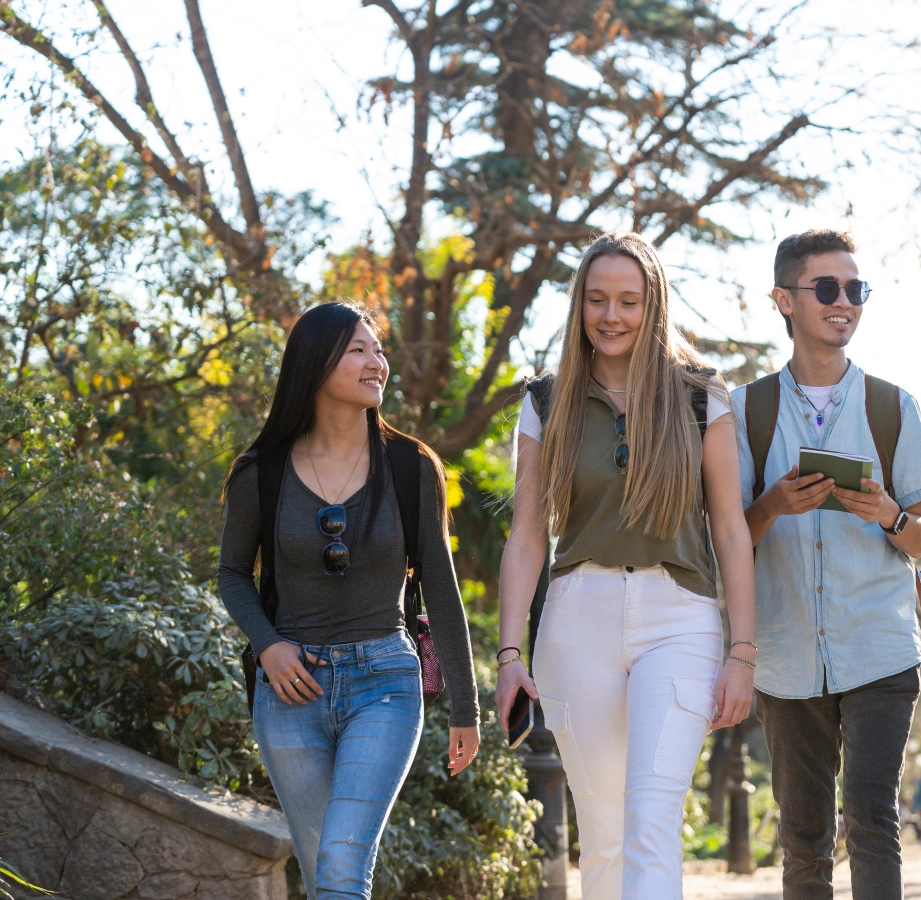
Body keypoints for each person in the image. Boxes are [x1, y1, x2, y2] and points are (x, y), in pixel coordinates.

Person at [492, 232, 758, 900]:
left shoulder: (703, 397)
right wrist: (507, 655)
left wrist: (743, 652)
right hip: (576, 619)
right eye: (597, 299)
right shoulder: (545, 402)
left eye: (629, 302)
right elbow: (526, 538)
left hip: (681, 620)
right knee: (605, 836)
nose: (611, 316)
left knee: (649, 822)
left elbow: (730, 530)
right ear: (580, 304)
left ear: (654, 306)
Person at [217, 302, 479, 898]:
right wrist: (269, 646)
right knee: (322, 876)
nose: (377, 363)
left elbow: (440, 585)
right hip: (290, 688)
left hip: (384, 680)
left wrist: (466, 706)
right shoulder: (261, 473)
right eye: (358, 350)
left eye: (377, 350)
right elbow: (232, 574)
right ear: (315, 364)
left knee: (341, 862)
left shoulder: (412, 467)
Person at [735, 229, 921, 900]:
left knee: (874, 822)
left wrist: (887, 513)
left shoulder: (892, 406)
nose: (844, 301)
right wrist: (772, 505)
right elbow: (728, 539)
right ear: (783, 300)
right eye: (827, 288)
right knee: (803, 841)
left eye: (856, 289)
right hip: (785, 653)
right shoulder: (746, 412)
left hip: (880, 648)